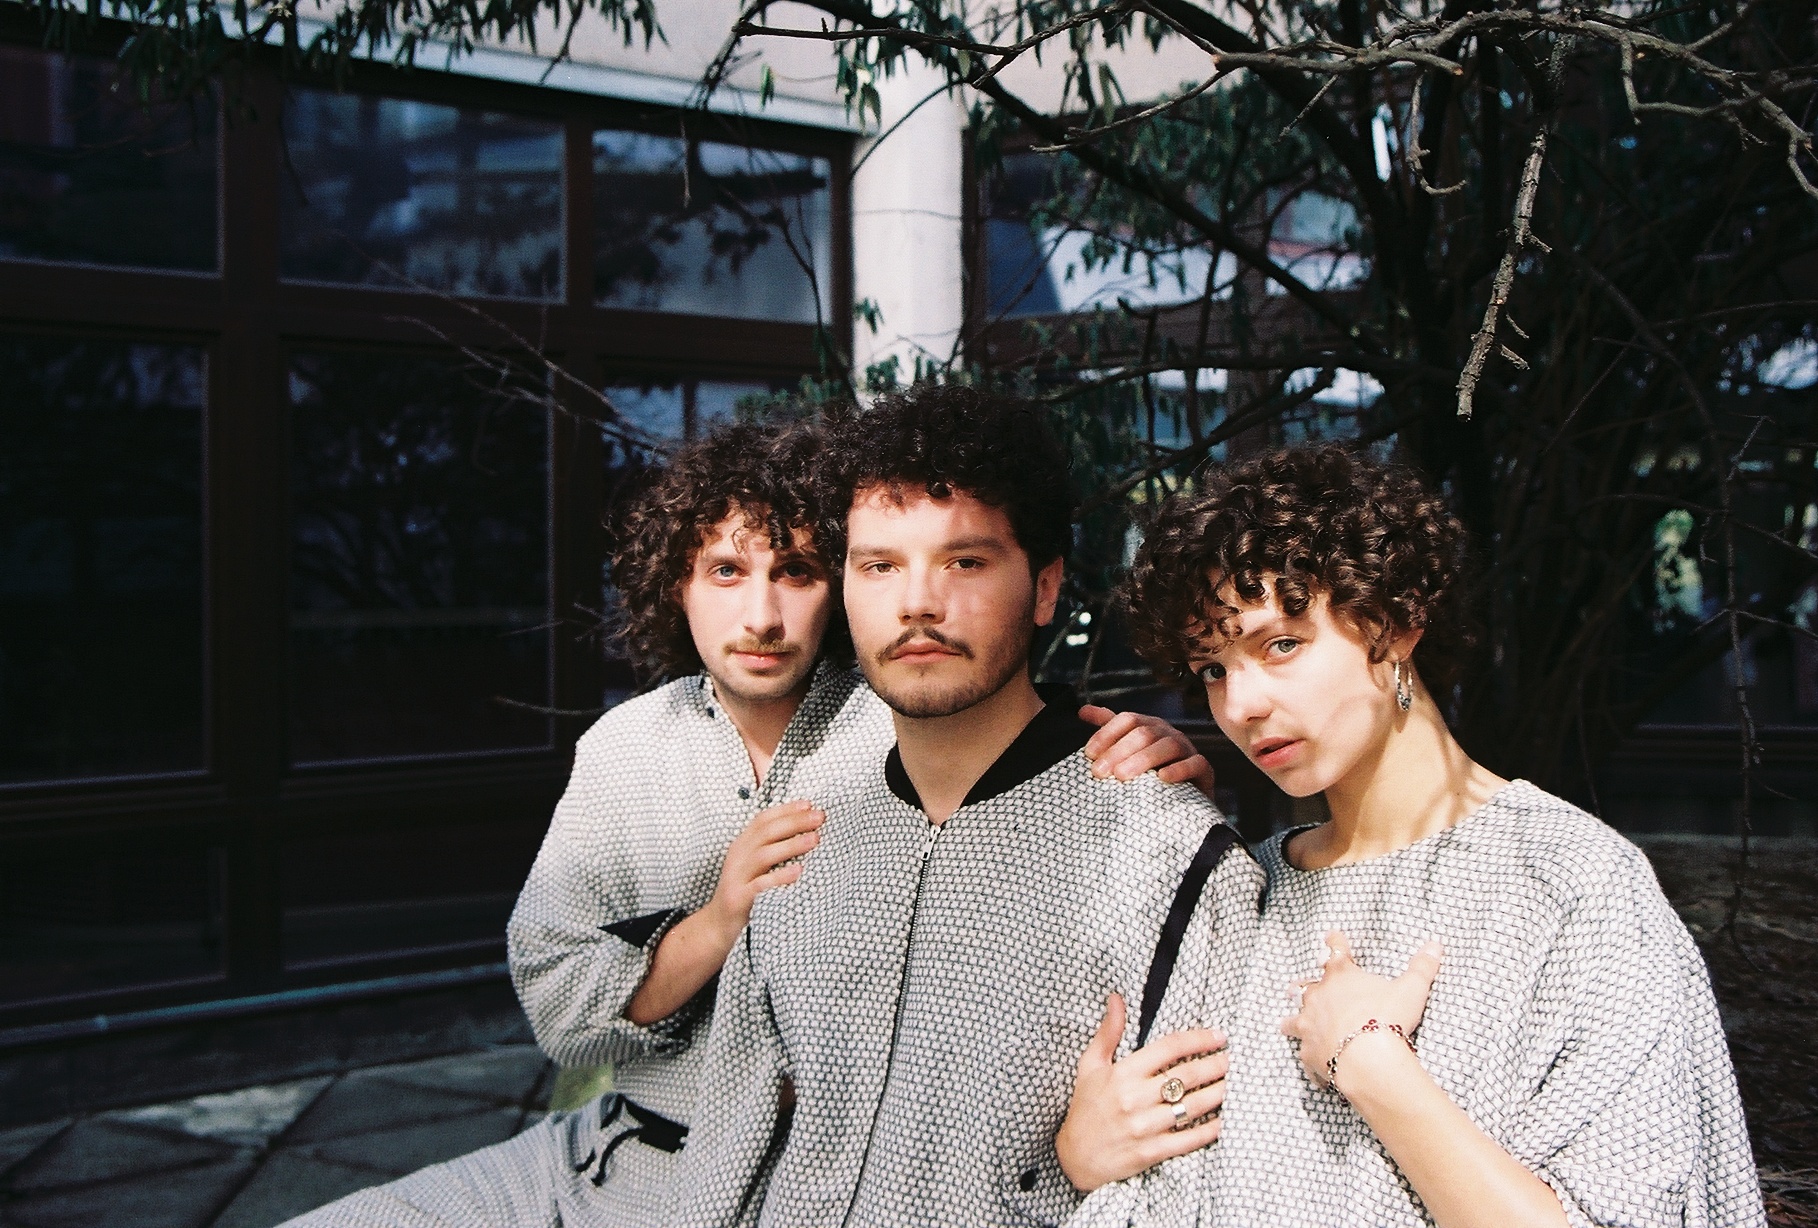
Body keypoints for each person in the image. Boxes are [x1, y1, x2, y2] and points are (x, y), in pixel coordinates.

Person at [284, 420, 1220, 1228]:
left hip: (808, 1177)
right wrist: (719, 918)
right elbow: (561, 1004)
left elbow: (1021, 759)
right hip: (615, 1149)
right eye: (726, 572)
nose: (762, 616)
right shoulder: (628, 748)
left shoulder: (900, 725)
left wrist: (1152, 757)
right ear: (677, 585)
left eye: (798, 573)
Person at [1064, 443, 1766, 1228]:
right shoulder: (1240, 892)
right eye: (1213, 670)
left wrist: (1371, 1063)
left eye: (1281, 645)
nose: (1241, 705)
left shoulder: (1571, 884)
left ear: (1394, 623)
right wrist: (1084, 1155)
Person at [666, 387, 1262, 1228]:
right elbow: (727, 1148)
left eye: (965, 562)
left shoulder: (1161, 855)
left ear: (1045, 587)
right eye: (879, 566)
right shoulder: (806, 836)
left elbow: (1181, 1192)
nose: (918, 602)